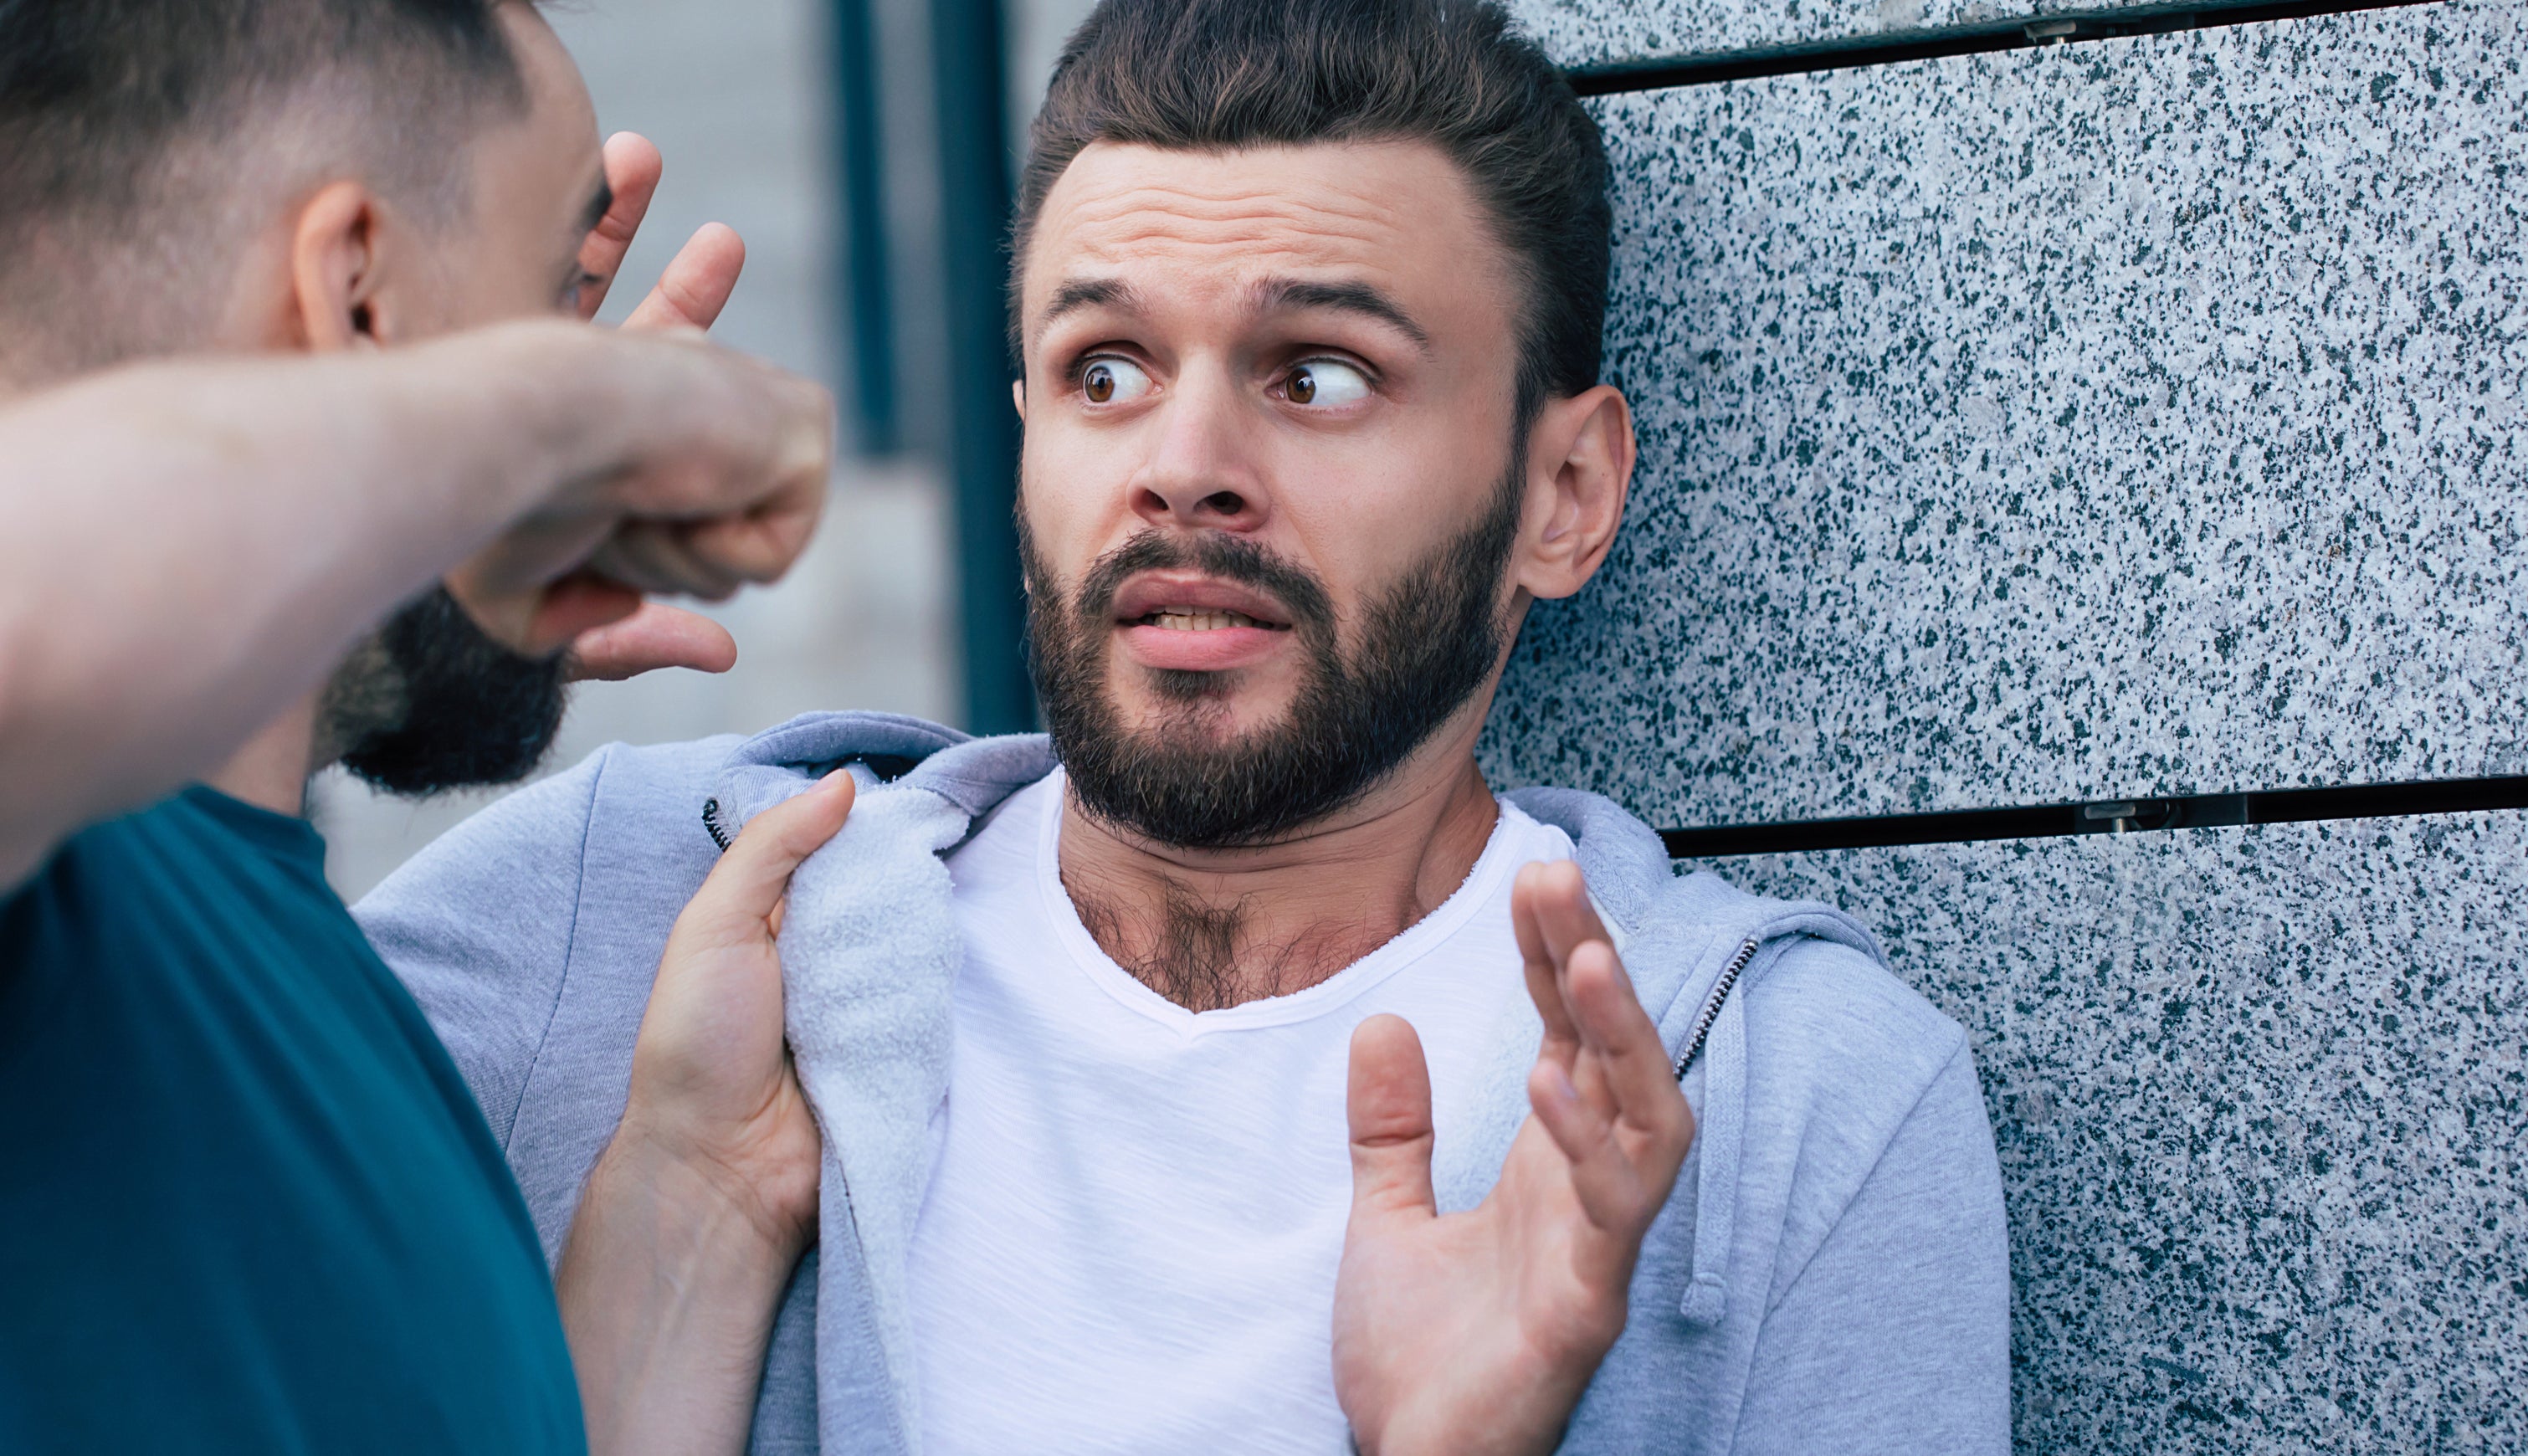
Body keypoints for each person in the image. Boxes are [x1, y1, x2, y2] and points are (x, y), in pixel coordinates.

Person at [360, 0, 2013, 1452]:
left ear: (1561, 491)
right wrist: (367, 610)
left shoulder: (1792, 1112)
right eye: (1103, 369)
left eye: (1318, 375)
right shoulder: (652, 914)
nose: (1181, 460)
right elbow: (106, 1058)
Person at [0, 2, 859, 1450]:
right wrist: (540, 439)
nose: (578, 371)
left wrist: (691, 1199)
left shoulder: (231, 918)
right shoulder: (73, 889)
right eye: (547, 304)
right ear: (361, 306)